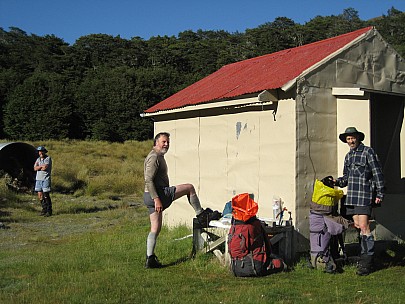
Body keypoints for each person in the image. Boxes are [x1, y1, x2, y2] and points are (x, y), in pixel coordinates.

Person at [143, 132, 220, 268]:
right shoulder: (154, 157)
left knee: (155, 228)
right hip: (158, 194)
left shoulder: (157, 155)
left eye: (167, 142)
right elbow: (148, 179)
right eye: (163, 142)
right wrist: (157, 199)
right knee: (189, 188)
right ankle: (201, 215)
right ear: (156, 142)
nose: (166, 144)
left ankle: (150, 259)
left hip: (151, 196)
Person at [334, 127, 385, 276]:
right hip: (352, 197)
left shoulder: (368, 152)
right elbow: (346, 178)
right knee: (357, 225)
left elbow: (377, 173)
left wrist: (380, 193)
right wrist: (335, 181)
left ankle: (367, 263)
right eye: (348, 139)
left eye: (353, 138)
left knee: (364, 226)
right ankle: (366, 257)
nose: (351, 141)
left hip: (364, 195)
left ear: (358, 138)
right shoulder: (348, 156)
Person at [34, 146, 53, 217]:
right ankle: (44, 209)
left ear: (44, 151)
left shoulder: (48, 158)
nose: (40, 153)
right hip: (38, 179)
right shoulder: (38, 159)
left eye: (42, 151)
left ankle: (49, 210)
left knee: (46, 195)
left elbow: (45, 167)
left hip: (45, 179)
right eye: (39, 151)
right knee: (40, 195)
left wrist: (39, 167)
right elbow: (35, 168)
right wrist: (40, 167)